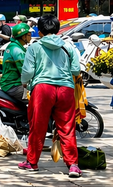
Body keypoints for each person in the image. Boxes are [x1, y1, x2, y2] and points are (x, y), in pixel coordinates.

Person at [18, 15, 82, 177]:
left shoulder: (34, 47)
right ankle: (73, 165)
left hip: (42, 89)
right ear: (58, 30)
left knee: (37, 126)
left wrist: (25, 82)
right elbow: (75, 70)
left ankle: (32, 162)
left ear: (39, 32)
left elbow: (27, 72)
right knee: (67, 128)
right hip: (66, 89)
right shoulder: (68, 47)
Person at [0, 23, 32, 102]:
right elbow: (25, 71)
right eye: (29, 34)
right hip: (13, 85)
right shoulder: (17, 51)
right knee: (37, 99)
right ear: (23, 36)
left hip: (11, 83)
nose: (31, 36)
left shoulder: (14, 46)